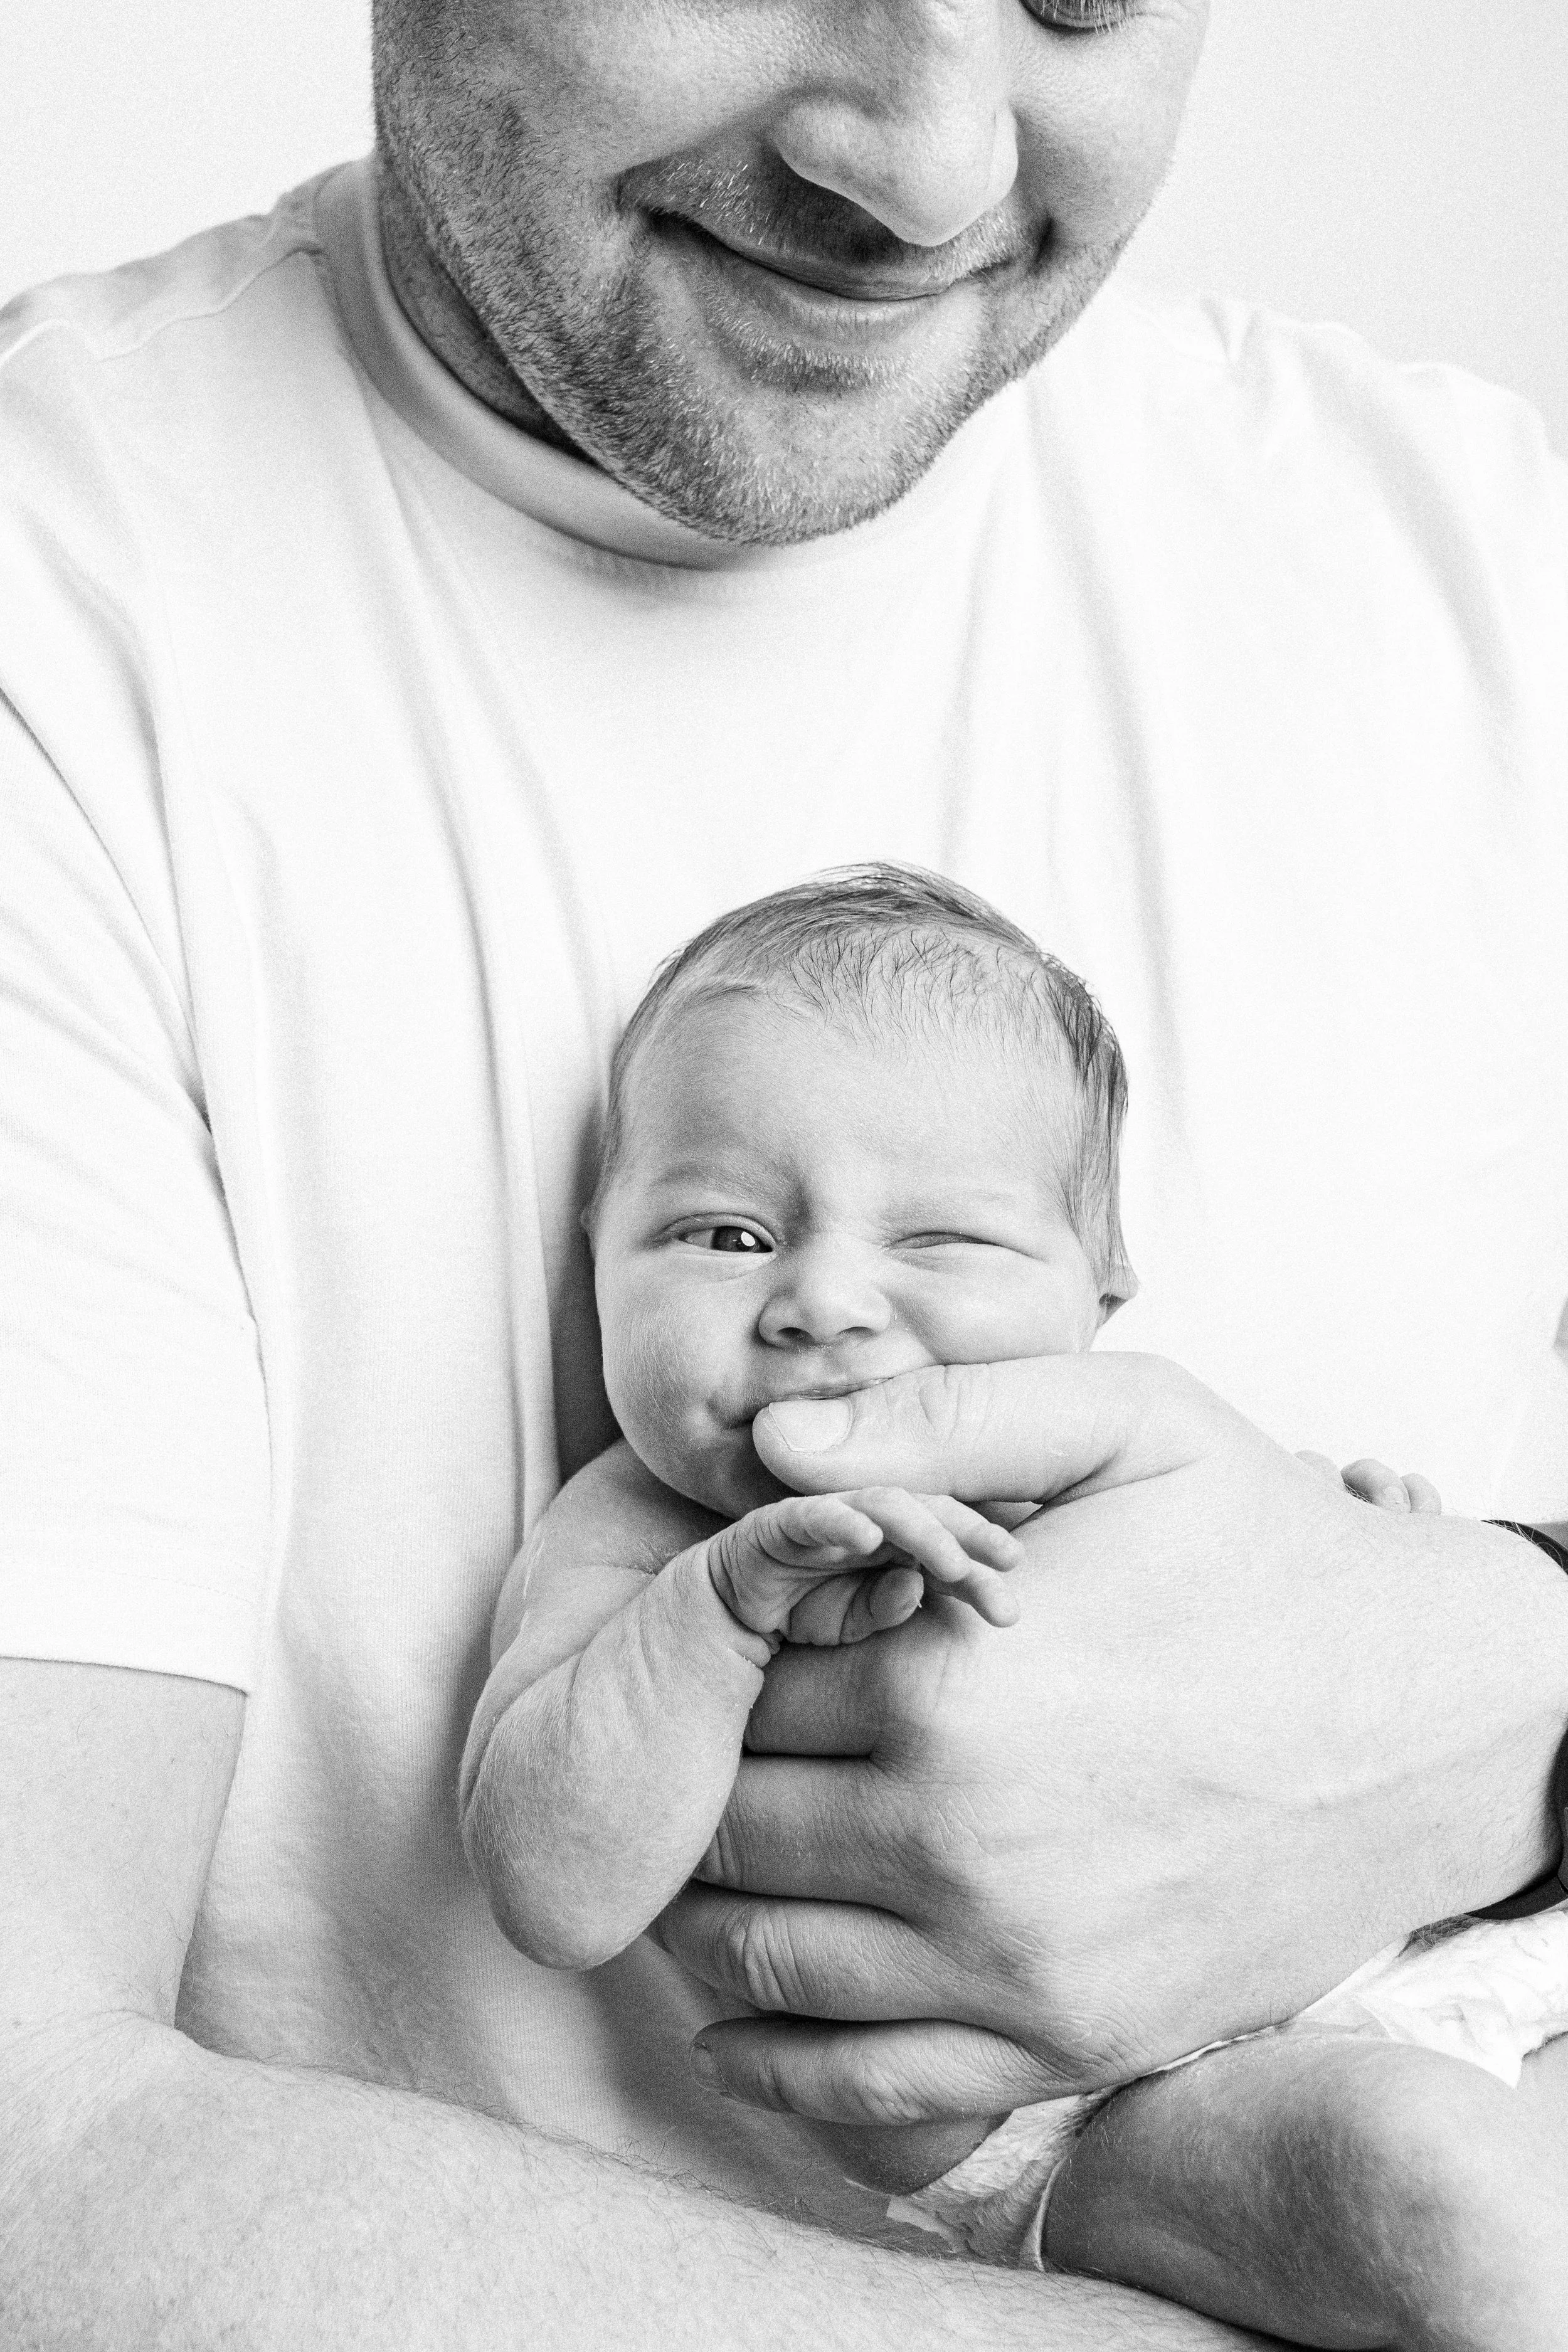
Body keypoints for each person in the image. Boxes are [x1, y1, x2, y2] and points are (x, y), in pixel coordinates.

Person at [3, 0, 1567, 2341]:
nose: (924, 171)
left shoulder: (1488, 566)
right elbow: (31, 2150)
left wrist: (1495, 1683)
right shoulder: (73, 600)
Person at [460, 864, 1568, 2344]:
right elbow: (553, 1889)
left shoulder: (1100, 1430)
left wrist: (1371, 1557)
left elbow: (1317, 1639)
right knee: (1452, 2205)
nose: (822, 1302)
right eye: (723, 1235)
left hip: (1438, 1932)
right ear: (593, 1259)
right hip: (1121, 2114)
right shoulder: (635, 1534)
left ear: (1096, 1286)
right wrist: (713, 1612)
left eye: (938, 1242)